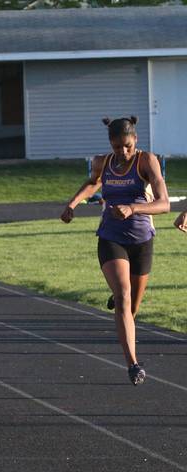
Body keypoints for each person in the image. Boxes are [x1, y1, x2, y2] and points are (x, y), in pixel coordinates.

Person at [61, 116, 169, 386]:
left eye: (127, 146)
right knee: (122, 297)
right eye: (117, 146)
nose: (123, 152)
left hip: (142, 239)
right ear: (110, 143)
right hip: (111, 236)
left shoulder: (147, 161)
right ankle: (133, 363)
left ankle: (122, 301)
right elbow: (93, 182)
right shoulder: (103, 162)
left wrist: (133, 208)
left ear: (135, 141)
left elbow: (164, 204)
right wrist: (72, 203)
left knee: (132, 307)